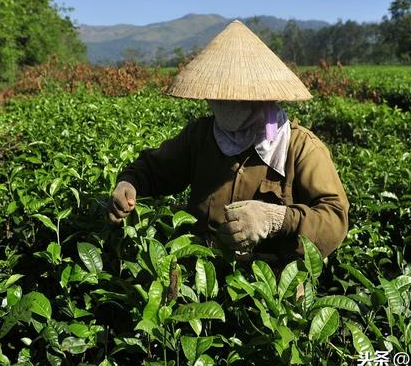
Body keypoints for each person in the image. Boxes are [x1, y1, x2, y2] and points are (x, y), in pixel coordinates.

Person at [107, 20, 349, 262]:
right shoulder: (201, 135)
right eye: (217, 96)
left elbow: (335, 219)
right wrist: (130, 183)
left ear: (261, 96)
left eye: (234, 96)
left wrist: (276, 219)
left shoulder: (300, 147)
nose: (223, 103)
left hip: (272, 287)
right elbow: (155, 169)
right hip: (203, 276)